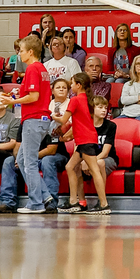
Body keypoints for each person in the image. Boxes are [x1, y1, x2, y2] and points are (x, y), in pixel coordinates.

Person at [0, 34, 53, 214]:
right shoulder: (42, 68)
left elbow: (34, 96)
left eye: (21, 51)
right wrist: (16, 96)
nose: (19, 54)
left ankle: (35, 204)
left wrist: (12, 102)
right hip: (40, 119)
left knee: (29, 163)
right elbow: (35, 94)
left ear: (30, 52)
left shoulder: (32, 68)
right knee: (21, 160)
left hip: (34, 119)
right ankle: (45, 196)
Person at [55, 73, 111, 214]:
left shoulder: (75, 100)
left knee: (94, 170)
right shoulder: (88, 99)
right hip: (85, 140)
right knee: (70, 167)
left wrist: (51, 115)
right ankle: (74, 201)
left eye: (72, 83)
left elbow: (63, 120)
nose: (71, 86)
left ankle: (104, 204)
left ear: (79, 85)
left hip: (85, 140)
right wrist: (68, 136)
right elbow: (80, 122)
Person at [0, 118, 68, 214]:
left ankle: (51, 203)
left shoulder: (47, 122)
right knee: (9, 161)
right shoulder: (25, 122)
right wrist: (18, 158)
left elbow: (51, 149)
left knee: (47, 161)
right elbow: (17, 146)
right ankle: (8, 202)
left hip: (54, 156)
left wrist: (29, 158)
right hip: (31, 157)